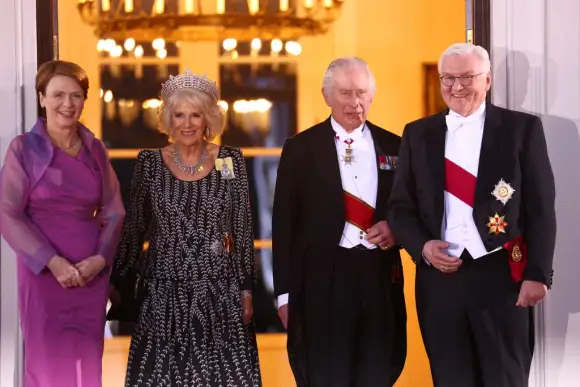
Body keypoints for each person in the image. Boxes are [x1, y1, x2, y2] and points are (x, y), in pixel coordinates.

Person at [387, 43, 556, 387]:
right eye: (448, 78)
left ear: (488, 79)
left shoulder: (521, 129)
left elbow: (540, 209)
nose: (457, 86)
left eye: (467, 77)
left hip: (502, 277)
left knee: (505, 379)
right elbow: (400, 208)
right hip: (441, 281)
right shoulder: (418, 133)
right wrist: (422, 247)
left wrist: (538, 274)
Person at [110, 69, 262, 386]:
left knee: (220, 377)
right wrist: (118, 283)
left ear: (209, 119)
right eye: (179, 115)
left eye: (196, 115)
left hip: (219, 289)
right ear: (168, 118)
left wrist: (246, 288)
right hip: (162, 290)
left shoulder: (229, 160)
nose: (188, 123)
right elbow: (135, 227)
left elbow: (242, 230)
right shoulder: (149, 163)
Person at [272, 57, 407, 387]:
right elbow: (284, 224)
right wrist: (285, 295)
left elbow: (411, 208)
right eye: (345, 93)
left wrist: (396, 229)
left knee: (376, 371)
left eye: (361, 93)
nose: (355, 102)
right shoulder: (300, 148)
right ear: (326, 95)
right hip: (322, 281)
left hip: (377, 276)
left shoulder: (397, 146)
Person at [0, 60, 126, 387]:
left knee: (88, 362)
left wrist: (100, 260)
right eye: (58, 95)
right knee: (46, 361)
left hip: (91, 276)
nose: (67, 104)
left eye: (76, 96)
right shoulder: (23, 149)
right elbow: (7, 213)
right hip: (43, 275)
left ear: (85, 100)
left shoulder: (96, 150)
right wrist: (53, 263)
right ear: (42, 98)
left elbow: (115, 212)